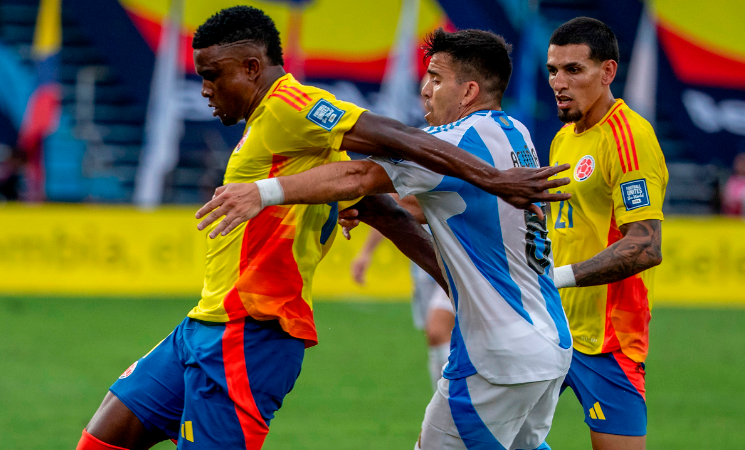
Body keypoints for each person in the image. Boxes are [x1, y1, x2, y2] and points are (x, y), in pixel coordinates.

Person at [74, 8, 567, 450]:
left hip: (251, 330)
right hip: (204, 322)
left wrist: (491, 180)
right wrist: (454, 282)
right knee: (102, 438)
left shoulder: (291, 104)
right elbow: (383, 210)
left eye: (211, 76)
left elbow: (386, 147)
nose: (205, 89)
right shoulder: (513, 132)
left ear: (251, 67)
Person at [543, 17, 668, 450]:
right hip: (549, 327)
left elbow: (645, 245)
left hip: (609, 340)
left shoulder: (629, 138)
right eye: (553, 70)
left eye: (573, 70)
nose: (559, 82)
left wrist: (557, 278)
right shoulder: (563, 139)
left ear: (608, 72)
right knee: (489, 437)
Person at [349, 198, 455, 390]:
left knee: (437, 331)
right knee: (436, 340)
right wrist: (366, 251)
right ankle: (445, 398)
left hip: (458, 260)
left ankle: (456, 397)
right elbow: (395, 204)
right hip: (424, 265)